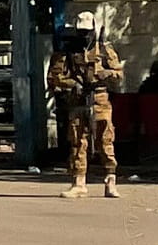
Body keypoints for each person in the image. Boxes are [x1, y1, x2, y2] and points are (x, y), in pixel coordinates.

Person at [46, 11, 123, 199]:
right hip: (78, 100)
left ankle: (110, 180)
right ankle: (79, 182)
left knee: (105, 140)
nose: (84, 35)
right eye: (81, 31)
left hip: (100, 99)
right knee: (77, 140)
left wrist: (105, 74)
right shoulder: (67, 51)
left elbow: (119, 74)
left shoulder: (104, 49)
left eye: (87, 31)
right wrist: (73, 85)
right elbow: (54, 78)